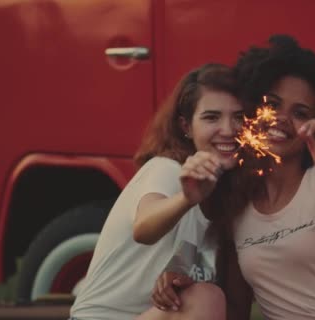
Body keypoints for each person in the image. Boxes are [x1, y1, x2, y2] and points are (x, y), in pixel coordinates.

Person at [152, 35, 315, 320]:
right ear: (253, 112)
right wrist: (180, 275)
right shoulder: (238, 204)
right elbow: (237, 307)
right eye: (272, 104)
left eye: (300, 112)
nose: (281, 119)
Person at [69, 63, 245, 320]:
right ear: (186, 126)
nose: (229, 130)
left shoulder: (227, 199)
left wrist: (180, 278)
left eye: (239, 117)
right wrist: (186, 199)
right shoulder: (167, 169)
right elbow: (143, 227)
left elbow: (233, 307)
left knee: (208, 296)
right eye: (211, 117)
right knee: (207, 298)